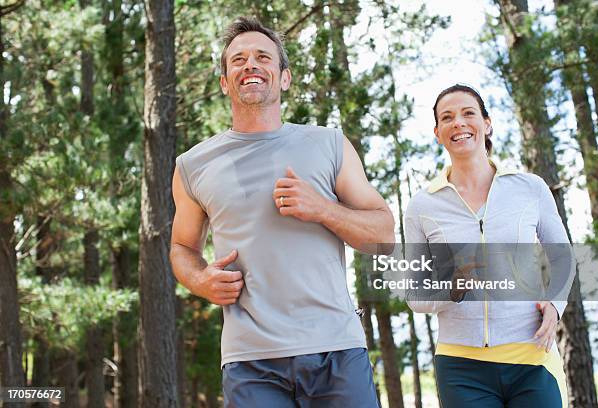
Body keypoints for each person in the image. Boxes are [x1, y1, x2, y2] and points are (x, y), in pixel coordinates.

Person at [170, 16, 393, 408]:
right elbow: (181, 247)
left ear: (284, 77)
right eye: (237, 60)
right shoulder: (193, 165)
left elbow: (384, 237)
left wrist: (323, 208)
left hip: (336, 351)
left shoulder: (330, 144)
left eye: (262, 57)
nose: (250, 65)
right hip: (250, 362)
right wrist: (202, 280)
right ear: (225, 82)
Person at [403, 84, 574, 408]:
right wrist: (451, 289)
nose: (459, 123)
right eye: (447, 117)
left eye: (468, 113)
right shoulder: (422, 206)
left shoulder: (530, 188)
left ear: (487, 123)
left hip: (532, 355)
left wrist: (555, 304)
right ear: (438, 132)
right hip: (461, 367)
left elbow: (563, 257)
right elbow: (415, 295)